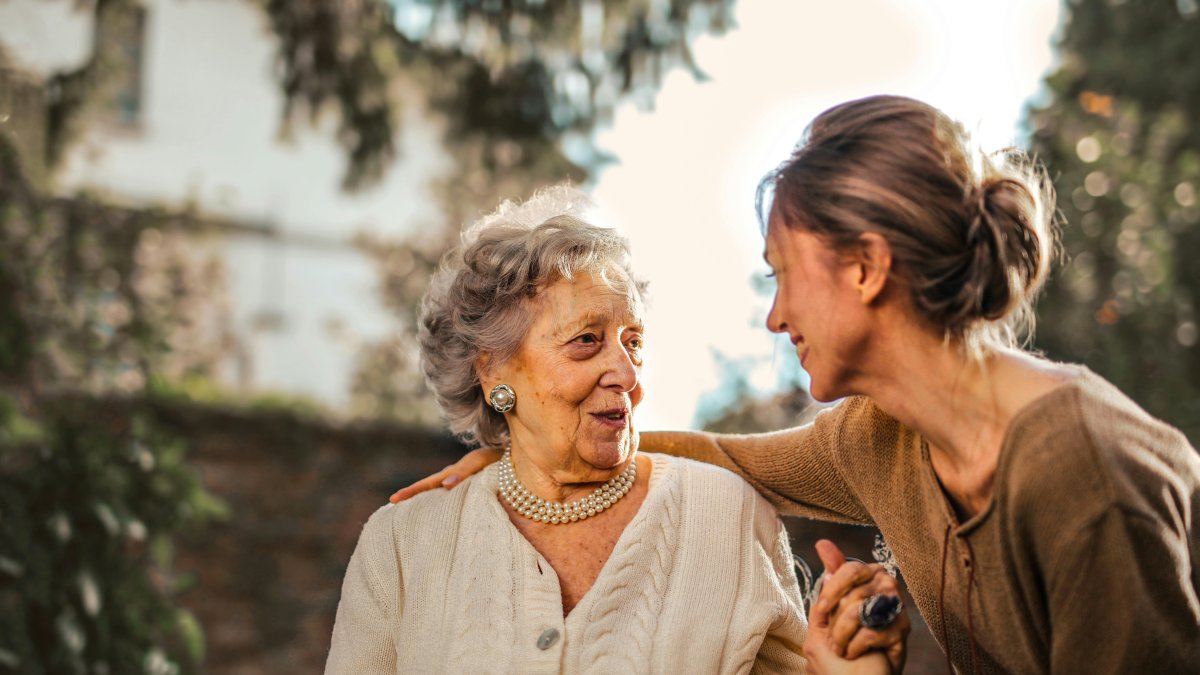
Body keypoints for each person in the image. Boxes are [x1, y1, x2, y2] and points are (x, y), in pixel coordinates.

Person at [391, 96, 1200, 674]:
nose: (775, 317)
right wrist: (532, 455)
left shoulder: (1082, 473)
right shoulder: (880, 437)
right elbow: (725, 459)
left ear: (866, 266)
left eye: (783, 276)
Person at [326, 186, 905, 674]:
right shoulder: (402, 545)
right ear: (494, 369)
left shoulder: (726, 515)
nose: (627, 375)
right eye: (586, 341)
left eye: (634, 342)